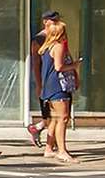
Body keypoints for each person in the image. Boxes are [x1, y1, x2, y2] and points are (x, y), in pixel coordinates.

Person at [29, 12, 80, 161]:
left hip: (50, 85)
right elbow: (58, 66)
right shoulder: (57, 46)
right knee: (63, 118)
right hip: (58, 86)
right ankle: (62, 150)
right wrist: (74, 66)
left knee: (54, 119)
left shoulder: (46, 46)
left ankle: (49, 148)